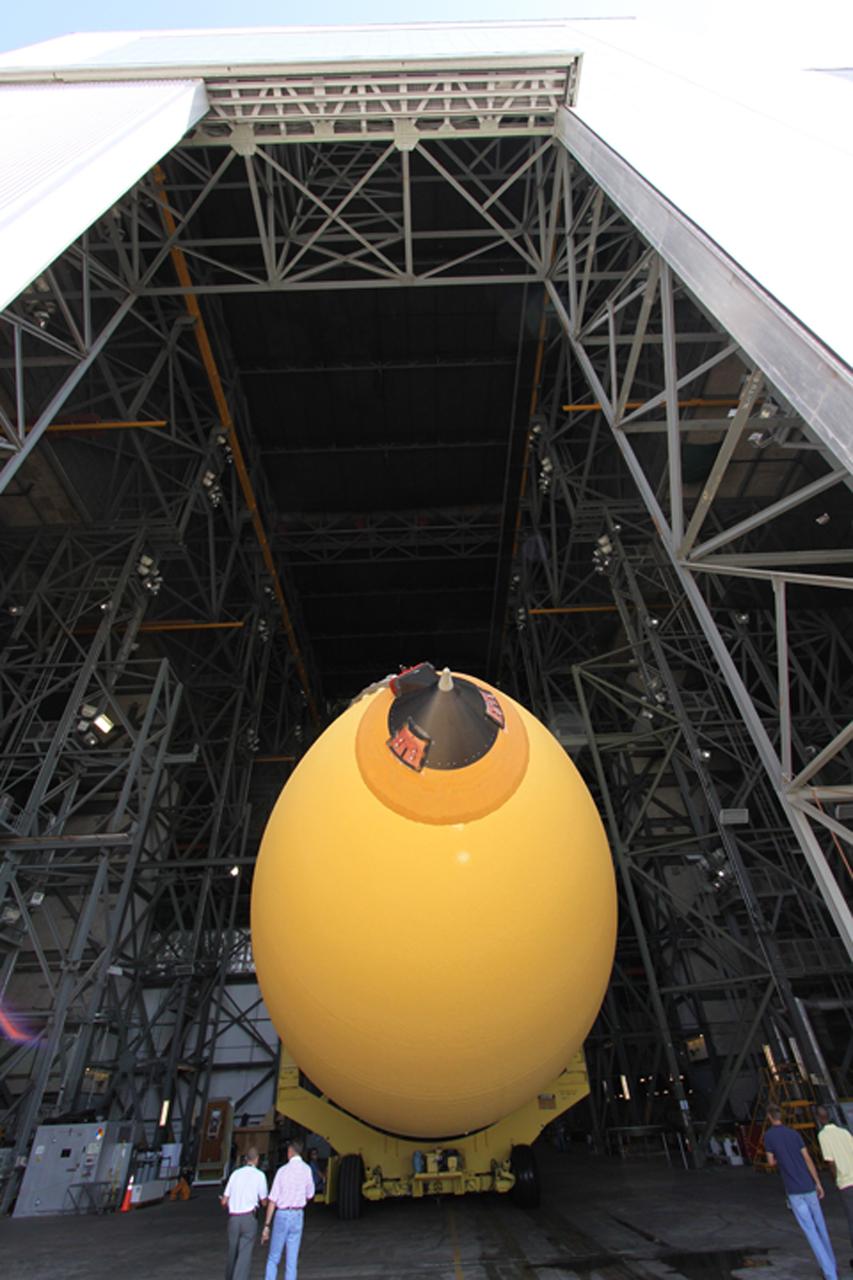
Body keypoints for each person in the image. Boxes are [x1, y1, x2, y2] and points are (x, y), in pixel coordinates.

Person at [764, 1104, 837, 1280]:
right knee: (821, 1227)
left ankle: (830, 1273)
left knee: (810, 1231)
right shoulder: (794, 1134)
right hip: (809, 1186)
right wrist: (818, 1182)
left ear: (769, 1117)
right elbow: (807, 1158)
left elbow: (771, 1162)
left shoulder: (769, 1136)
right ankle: (831, 1265)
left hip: (794, 1190)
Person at [262, 1138, 316, 1280]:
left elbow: (272, 1200)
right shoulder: (307, 1170)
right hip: (297, 1214)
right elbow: (310, 1194)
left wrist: (267, 1224)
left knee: (274, 1257)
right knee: (292, 1261)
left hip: (282, 1214)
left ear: (290, 1152)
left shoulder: (282, 1171)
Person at [220, 1146, 268, 1280]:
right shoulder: (260, 1175)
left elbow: (224, 1201)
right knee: (244, 1254)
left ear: (246, 1159)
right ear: (257, 1159)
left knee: (232, 1252)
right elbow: (264, 1201)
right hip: (249, 1217)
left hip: (234, 1219)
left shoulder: (235, 1174)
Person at [816, 1105, 853, 1266]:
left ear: (819, 1118)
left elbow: (830, 1161)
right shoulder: (844, 1132)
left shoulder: (823, 1136)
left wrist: (836, 1179)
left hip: (845, 1182)